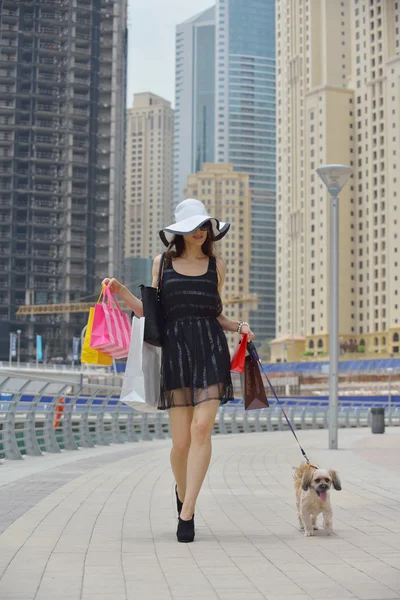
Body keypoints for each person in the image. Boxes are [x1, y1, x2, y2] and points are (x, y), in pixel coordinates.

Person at [102, 198, 254, 543]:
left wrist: (240, 326)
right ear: (180, 232)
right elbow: (153, 312)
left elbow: (216, 314)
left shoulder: (218, 265)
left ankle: (188, 513)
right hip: (176, 354)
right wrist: (122, 290)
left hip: (211, 349)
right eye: (195, 227)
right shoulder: (163, 264)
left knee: (202, 429)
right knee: (181, 444)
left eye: (206, 227)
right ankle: (181, 492)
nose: (202, 232)